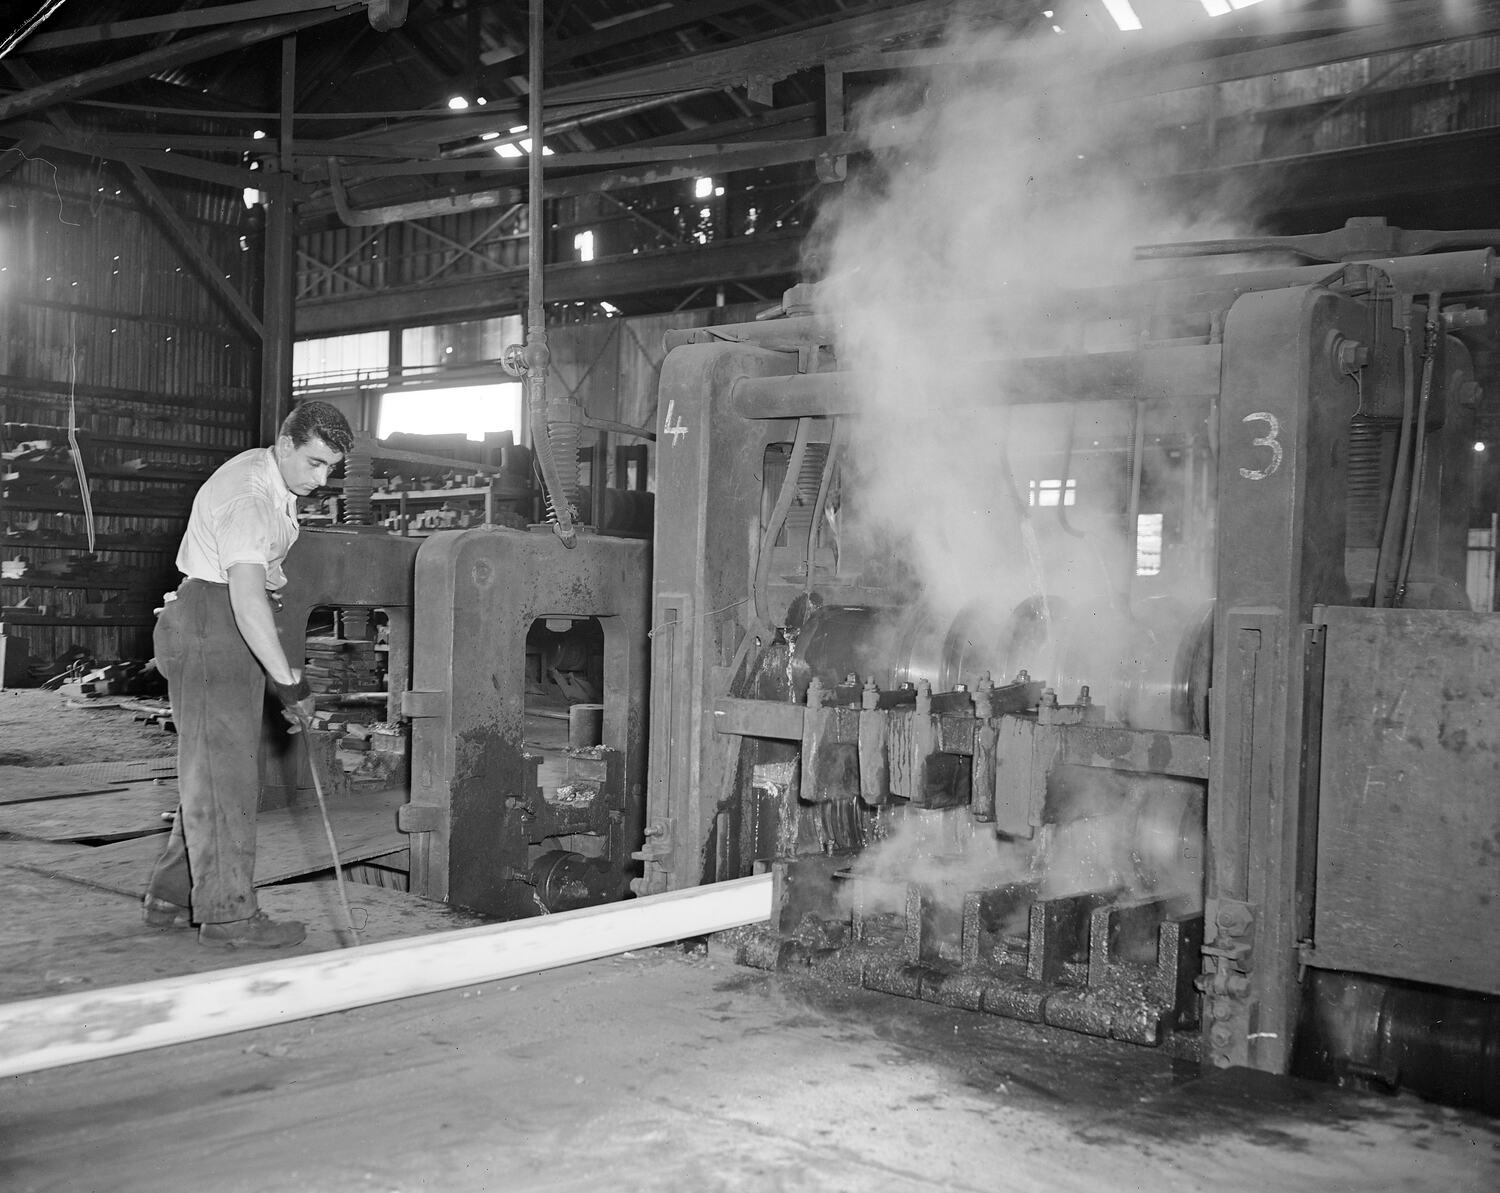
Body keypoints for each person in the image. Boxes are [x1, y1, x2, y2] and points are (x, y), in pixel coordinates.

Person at [142, 400, 353, 948]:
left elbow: (262, 577)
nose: (322, 478)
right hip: (215, 625)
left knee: (215, 768)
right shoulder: (250, 496)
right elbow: (245, 599)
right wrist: (290, 682)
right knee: (226, 775)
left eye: (331, 467)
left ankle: (172, 892)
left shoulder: (272, 480)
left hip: (222, 625)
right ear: (286, 445)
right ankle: (229, 915)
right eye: (314, 462)